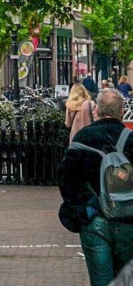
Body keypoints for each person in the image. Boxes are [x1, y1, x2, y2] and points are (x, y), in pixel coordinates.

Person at [58, 88, 133, 285]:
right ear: (121, 111)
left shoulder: (84, 137)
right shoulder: (131, 139)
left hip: (94, 218)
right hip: (128, 219)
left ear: (97, 111)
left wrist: (82, 207)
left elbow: (66, 177)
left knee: (101, 280)